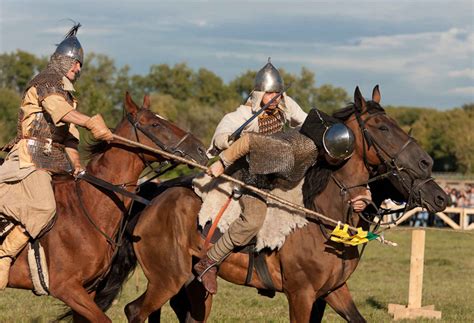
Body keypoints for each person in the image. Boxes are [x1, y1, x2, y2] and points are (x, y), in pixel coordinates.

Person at [194, 60, 370, 295]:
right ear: (259, 94)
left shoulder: (286, 107)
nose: (275, 97)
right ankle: (209, 262)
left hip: (278, 173)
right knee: (253, 220)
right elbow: (220, 138)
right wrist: (228, 141)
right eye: (270, 93)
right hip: (248, 175)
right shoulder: (242, 115)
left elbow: (306, 121)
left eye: (277, 92)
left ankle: (274, 270)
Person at [0, 23, 113, 290]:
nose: (78, 70)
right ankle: (4, 254)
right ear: (65, 61)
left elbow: (70, 136)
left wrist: (77, 165)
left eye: (80, 65)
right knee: (44, 207)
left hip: (53, 160)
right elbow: (58, 111)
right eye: (76, 64)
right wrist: (92, 122)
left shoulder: (67, 94)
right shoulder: (47, 81)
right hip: (31, 157)